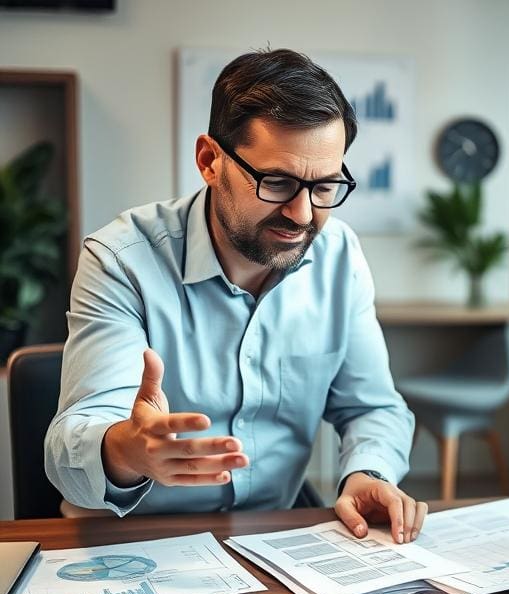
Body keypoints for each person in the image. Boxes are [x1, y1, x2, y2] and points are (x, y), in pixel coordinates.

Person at [45, 49, 426, 544]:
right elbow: (66, 449)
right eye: (278, 183)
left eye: (325, 187)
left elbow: (372, 407)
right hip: (129, 539)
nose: (304, 214)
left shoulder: (339, 256)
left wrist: (368, 474)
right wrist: (128, 450)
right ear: (210, 161)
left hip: (272, 539)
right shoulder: (122, 259)